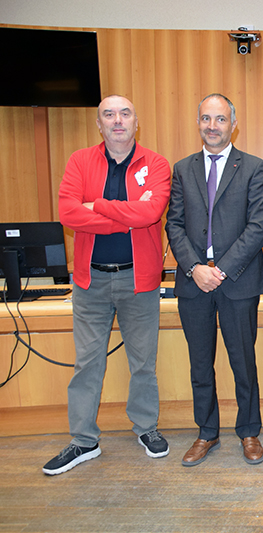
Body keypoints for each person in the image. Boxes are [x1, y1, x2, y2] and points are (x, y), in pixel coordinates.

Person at [44, 95, 171, 475]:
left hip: (139, 279)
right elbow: (68, 214)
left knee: (143, 364)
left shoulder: (156, 164)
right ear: (99, 125)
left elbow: (151, 213)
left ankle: (147, 428)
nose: (118, 121)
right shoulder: (80, 161)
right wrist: (126, 213)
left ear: (136, 123)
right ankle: (83, 441)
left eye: (125, 114)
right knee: (87, 363)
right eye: (109, 115)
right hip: (90, 280)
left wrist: (94, 206)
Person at [166, 93, 263, 467]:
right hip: (193, 281)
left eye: (221, 119)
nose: (213, 126)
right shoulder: (182, 169)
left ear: (233, 123)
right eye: (206, 119)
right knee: (200, 363)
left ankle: (249, 431)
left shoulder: (255, 167)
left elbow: (259, 227)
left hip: (238, 281)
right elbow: (174, 224)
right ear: (198, 123)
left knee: (243, 361)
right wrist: (196, 268)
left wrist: (221, 270)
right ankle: (206, 433)